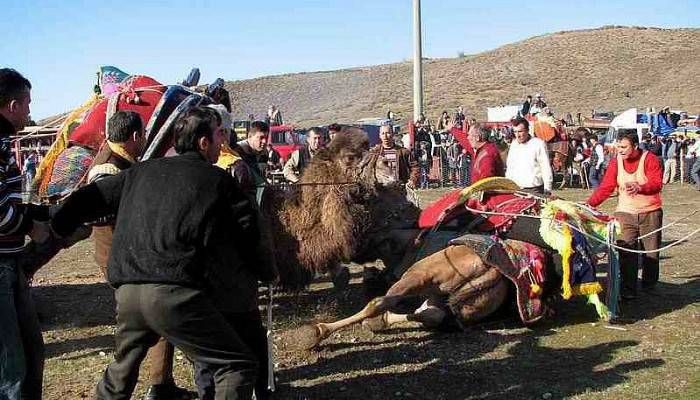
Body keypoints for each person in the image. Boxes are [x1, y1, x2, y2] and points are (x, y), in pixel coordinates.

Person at [51, 106, 277, 399]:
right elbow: (250, 232)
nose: (223, 141)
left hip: (128, 293)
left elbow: (88, 198)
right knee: (236, 365)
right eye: (218, 134)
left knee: (119, 374)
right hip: (175, 293)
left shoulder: (140, 171)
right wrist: (268, 272)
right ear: (203, 142)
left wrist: (58, 224)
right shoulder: (217, 180)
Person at [87, 110, 194, 400]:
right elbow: (102, 216)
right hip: (123, 259)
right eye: (144, 135)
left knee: (150, 325)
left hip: (130, 257)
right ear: (135, 137)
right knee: (146, 326)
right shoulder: (107, 168)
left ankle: (159, 383)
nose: (146, 139)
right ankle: (153, 386)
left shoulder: (120, 160)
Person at [0, 68, 47, 400]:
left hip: (9, 262)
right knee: (11, 368)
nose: (30, 111)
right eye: (27, 103)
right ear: (13, 105)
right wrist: (31, 225)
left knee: (30, 355)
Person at [586, 129, 663, 299]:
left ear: (635, 145)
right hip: (625, 212)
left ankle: (649, 286)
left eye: (624, 147)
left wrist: (641, 187)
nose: (620, 150)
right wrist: (589, 204)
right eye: (619, 146)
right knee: (626, 251)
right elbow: (606, 187)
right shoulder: (616, 162)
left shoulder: (650, 159)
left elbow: (657, 183)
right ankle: (629, 290)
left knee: (651, 253)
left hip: (650, 212)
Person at [505, 117, 553, 194]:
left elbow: (545, 167)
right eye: (515, 132)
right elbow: (510, 166)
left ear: (527, 130)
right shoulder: (513, 145)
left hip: (533, 190)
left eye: (520, 132)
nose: (517, 135)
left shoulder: (538, 144)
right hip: (515, 189)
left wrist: (547, 188)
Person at [372, 122, 419, 188]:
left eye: (388, 133)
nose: (385, 136)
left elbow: (415, 167)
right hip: (381, 190)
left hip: (399, 189)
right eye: (383, 133)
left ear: (393, 134)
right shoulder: (374, 152)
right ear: (379, 135)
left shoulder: (403, 152)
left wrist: (412, 180)